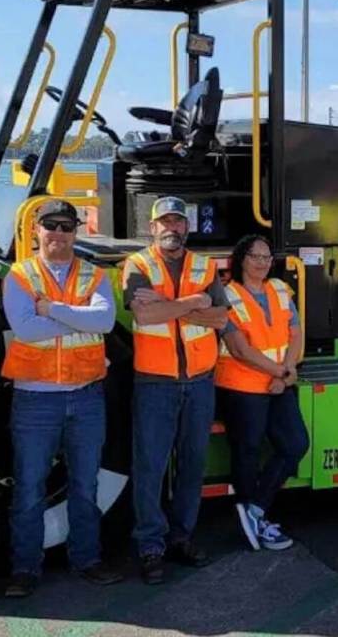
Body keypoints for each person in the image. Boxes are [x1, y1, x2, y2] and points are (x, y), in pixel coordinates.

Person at [1, 199, 122, 597]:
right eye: (50, 225)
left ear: (75, 232)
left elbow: (105, 321)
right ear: (36, 230)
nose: (58, 233)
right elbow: (25, 329)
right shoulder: (20, 275)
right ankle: (25, 569)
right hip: (36, 401)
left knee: (85, 486)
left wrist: (51, 310)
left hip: (86, 397)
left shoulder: (93, 274)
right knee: (29, 488)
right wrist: (78, 317)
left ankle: (87, 560)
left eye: (66, 226)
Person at [123, 196, 229, 584]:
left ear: (187, 227)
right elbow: (145, 313)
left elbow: (220, 318)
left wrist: (170, 305)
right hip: (156, 383)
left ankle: (181, 538)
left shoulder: (205, 265)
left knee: (192, 465)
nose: (172, 227)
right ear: (152, 227)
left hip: (200, 382)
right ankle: (151, 547)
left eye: (178, 221)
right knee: (150, 467)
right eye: (164, 221)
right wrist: (194, 301)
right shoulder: (137, 265)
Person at [216, 234, 309, 551]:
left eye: (267, 257)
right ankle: (253, 518)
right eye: (255, 256)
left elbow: (295, 333)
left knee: (296, 444)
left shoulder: (280, 289)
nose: (262, 262)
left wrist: (288, 370)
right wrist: (280, 372)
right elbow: (239, 349)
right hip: (242, 387)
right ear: (241, 259)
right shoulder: (227, 295)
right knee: (248, 451)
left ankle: (253, 510)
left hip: (278, 384)